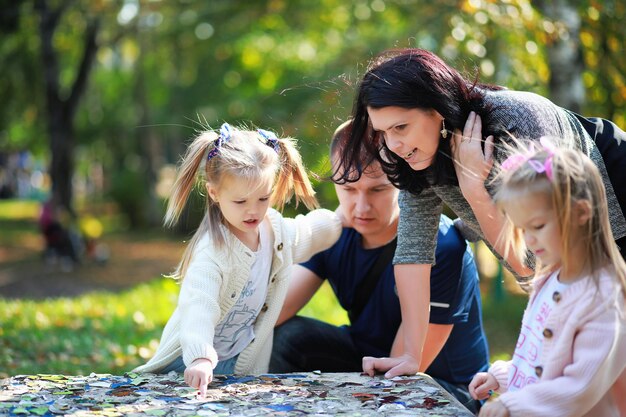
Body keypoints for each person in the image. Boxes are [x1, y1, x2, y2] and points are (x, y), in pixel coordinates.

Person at [336, 47, 626, 377]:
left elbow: (535, 263)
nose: (394, 145)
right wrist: (410, 356)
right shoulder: (412, 157)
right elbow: (413, 254)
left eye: (401, 127)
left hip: (616, 196)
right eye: (383, 132)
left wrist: (474, 188)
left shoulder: (515, 124)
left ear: (437, 109)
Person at [270, 120, 489, 413]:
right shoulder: (334, 234)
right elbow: (274, 313)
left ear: (402, 181)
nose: (361, 207)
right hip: (366, 359)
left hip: (442, 385)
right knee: (288, 337)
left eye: (377, 190)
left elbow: (404, 371)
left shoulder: (443, 245)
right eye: (348, 189)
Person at [133, 123, 342, 396]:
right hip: (188, 367)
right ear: (214, 193)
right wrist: (200, 357)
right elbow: (199, 307)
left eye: (263, 198)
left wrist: (340, 219)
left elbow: (308, 232)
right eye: (241, 202)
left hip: (238, 362)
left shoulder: (273, 231)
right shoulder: (213, 252)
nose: (253, 211)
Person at [468, 141, 626, 416]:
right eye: (522, 228)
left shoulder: (604, 299)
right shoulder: (552, 278)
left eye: (538, 226)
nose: (529, 240)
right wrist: (505, 377)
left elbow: (579, 389)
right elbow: (540, 356)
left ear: (581, 212)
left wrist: (512, 404)